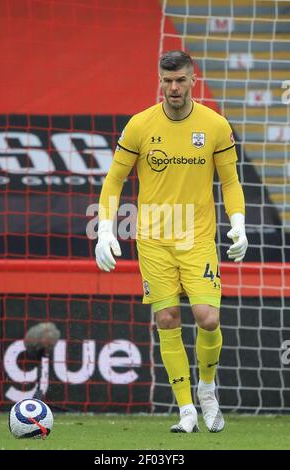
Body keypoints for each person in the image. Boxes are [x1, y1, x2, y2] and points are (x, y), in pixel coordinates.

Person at [95, 50, 248, 433]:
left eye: (180, 80)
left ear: (193, 80)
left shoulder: (214, 125)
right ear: (159, 82)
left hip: (197, 236)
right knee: (167, 319)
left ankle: (207, 390)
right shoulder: (139, 125)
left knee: (207, 317)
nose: (173, 88)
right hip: (153, 239)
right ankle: (186, 410)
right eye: (167, 81)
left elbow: (229, 181)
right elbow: (114, 180)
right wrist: (105, 229)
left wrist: (239, 223)